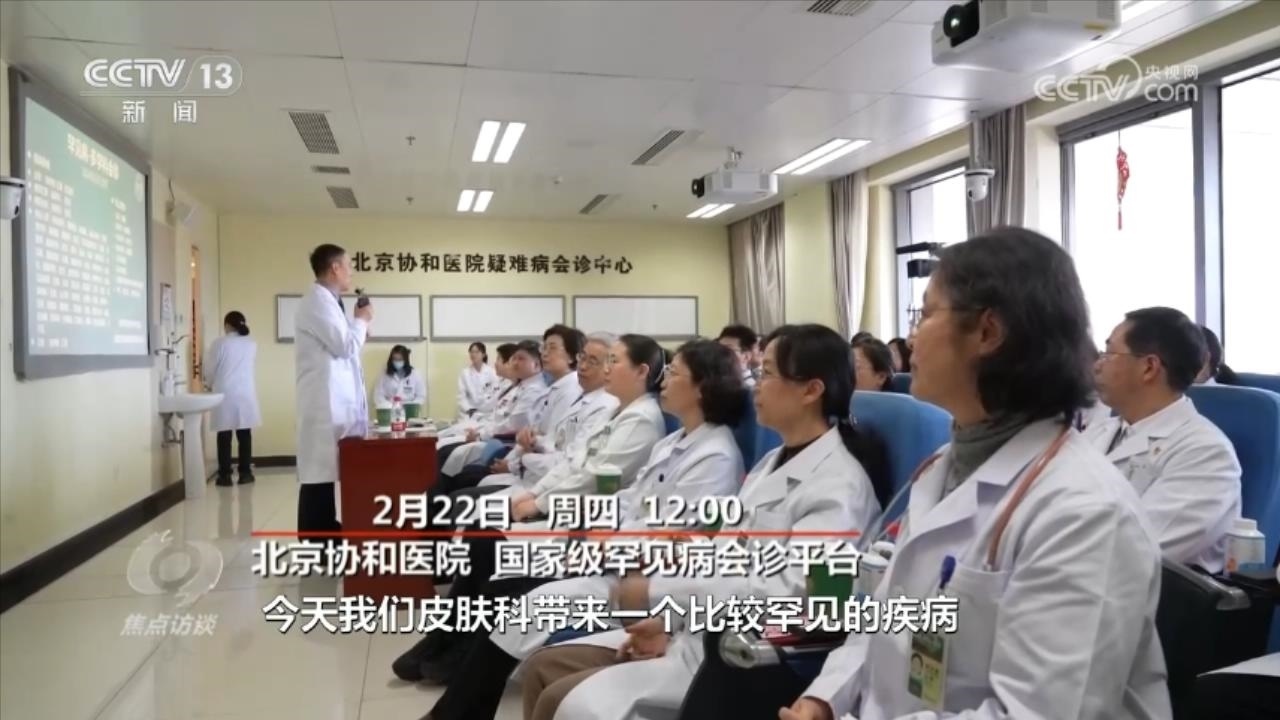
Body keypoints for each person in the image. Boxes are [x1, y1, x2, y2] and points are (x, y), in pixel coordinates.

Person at [782, 228, 1170, 720]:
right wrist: (825, 698)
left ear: (987, 332)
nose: (912, 337)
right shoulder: (941, 470)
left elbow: (1035, 715)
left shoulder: (1084, 511)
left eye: (926, 314)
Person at [526, 324, 890, 720]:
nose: (755, 385)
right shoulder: (774, 462)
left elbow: (783, 594)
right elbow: (721, 555)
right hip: (695, 633)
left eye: (767, 373)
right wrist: (670, 620)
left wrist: (656, 592)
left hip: (739, 656)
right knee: (544, 669)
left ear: (811, 390)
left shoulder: (839, 487)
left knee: (564, 701)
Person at [420, 339, 748, 719]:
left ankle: (453, 708)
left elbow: (673, 538)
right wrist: (600, 524)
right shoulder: (675, 441)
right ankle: (453, 701)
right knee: (506, 585)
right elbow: (630, 498)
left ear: (702, 387)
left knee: (521, 603)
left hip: (640, 582)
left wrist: (604, 543)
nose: (664, 380)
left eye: (674, 373)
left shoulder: (714, 456)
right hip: (607, 555)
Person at [391, 334, 669, 683]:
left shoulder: (639, 419)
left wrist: (536, 501)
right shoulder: (616, 411)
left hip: (584, 522)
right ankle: (445, 640)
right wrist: (534, 494)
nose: (599, 368)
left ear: (642, 371)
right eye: (600, 360)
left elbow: (592, 478)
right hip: (568, 507)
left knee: (484, 539)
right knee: (479, 533)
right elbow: (573, 462)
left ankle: (454, 649)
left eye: (611, 361)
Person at [1086, 307, 1242, 573]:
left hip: (1148, 594)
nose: (1097, 364)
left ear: (1149, 367)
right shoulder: (1099, 432)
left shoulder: (1206, 453)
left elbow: (1134, 552)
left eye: (1109, 354)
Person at [294, 244, 371, 541]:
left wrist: (358, 326)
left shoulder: (330, 302)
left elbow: (344, 344)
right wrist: (362, 319)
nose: (351, 272)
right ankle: (316, 541)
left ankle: (325, 534)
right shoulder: (317, 302)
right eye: (348, 266)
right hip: (322, 405)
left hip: (331, 404)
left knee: (323, 476)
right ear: (335, 268)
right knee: (318, 476)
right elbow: (345, 346)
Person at [479, 332, 619, 491]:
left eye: (552, 348)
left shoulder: (594, 401)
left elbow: (570, 460)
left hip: (548, 482)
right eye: (583, 357)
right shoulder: (577, 395)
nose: (583, 366)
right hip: (536, 470)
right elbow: (553, 438)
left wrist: (520, 461)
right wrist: (533, 441)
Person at [435, 340, 548, 478]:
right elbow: (493, 412)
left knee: (452, 458)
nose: (515, 363)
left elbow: (512, 424)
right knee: (446, 448)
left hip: (503, 442)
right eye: (515, 358)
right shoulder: (519, 387)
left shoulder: (533, 390)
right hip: (489, 430)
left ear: (536, 364)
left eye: (520, 359)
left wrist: (480, 435)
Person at [204, 310, 261, 486]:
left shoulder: (219, 343)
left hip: (225, 392)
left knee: (224, 435)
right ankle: (245, 473)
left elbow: (210, 369)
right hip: (245, 392)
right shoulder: (251, 344)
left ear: (227, 325)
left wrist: (208, 383)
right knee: (244, 434)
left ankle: (225, 476)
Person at [457, 341, 498, 417]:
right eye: (471, 352)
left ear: (483, 354)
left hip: (488, 412)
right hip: (470, 412)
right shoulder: (465, 373)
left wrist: (486, 408)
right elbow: (461, 396)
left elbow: (496, 394)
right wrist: (469, 409)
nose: (473, 354)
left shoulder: (492, 372)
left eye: (476, 352)